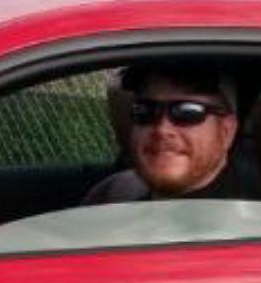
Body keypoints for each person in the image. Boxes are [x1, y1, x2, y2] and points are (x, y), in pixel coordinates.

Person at [83, 61, 246, 202]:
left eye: (187, 112)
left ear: (227, 131)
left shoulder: (251, 227)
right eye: (145, 111)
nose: (162, 129)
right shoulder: (112, 196)